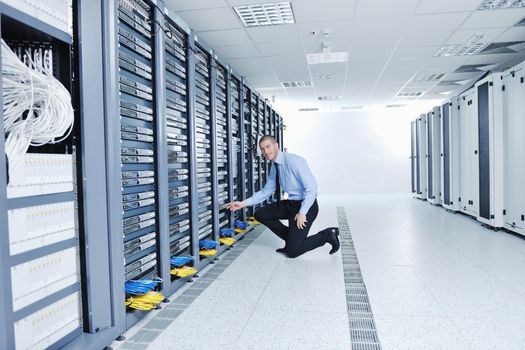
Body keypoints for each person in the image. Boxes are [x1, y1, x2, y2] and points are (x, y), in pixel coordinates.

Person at [225, 135, 339, 258]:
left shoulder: (294, 161)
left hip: (306, 207)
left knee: (292, 252)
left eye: (268, 147)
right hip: (290, 204)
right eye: (262, 149)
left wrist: (302, 212)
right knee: (260, 214)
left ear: (276, 145)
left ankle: (327, 235)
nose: (266, 152)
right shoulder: (275, 166)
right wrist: (243, 203)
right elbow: (267, 191)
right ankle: (292, 241)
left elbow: (312, 188)